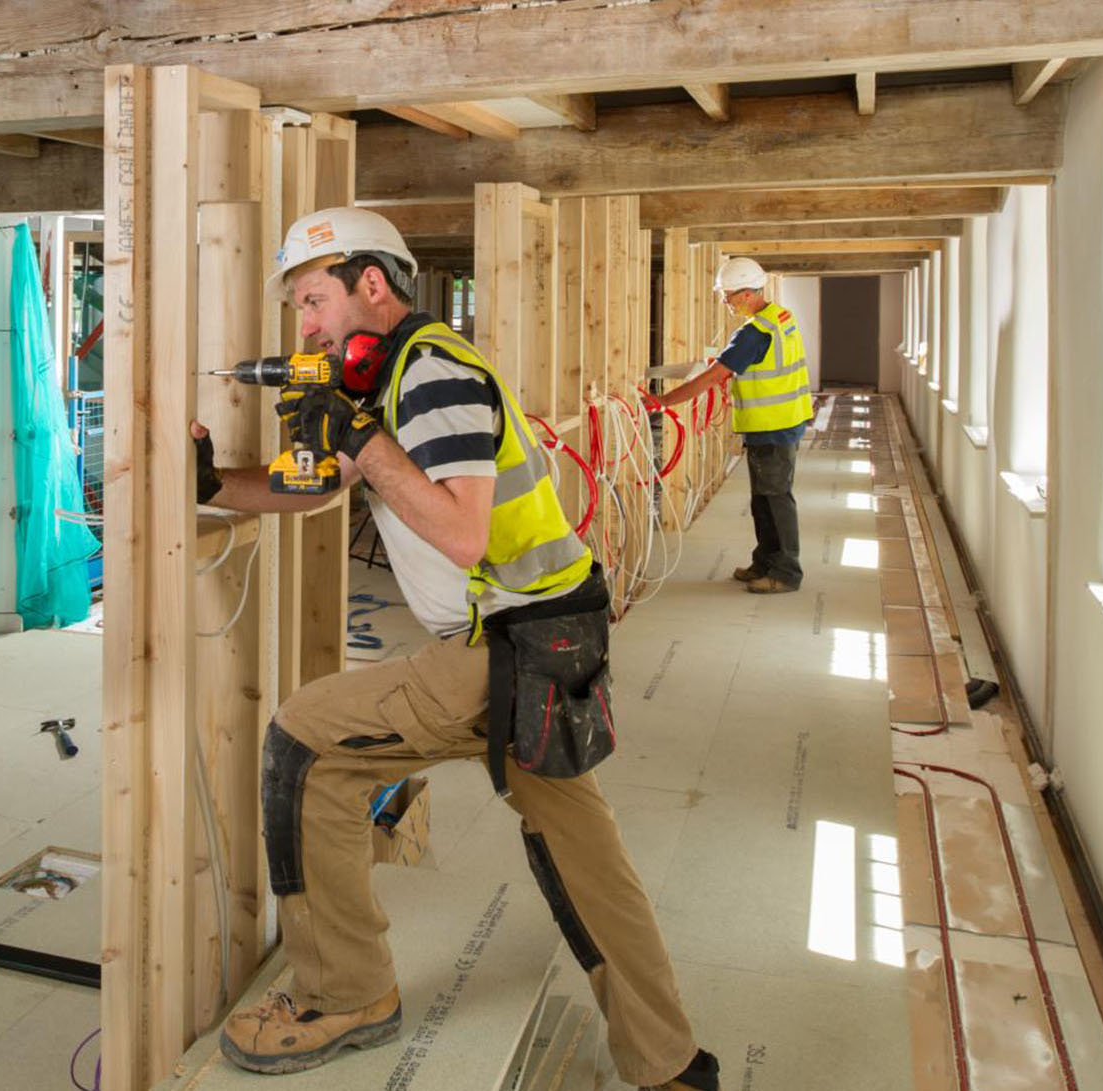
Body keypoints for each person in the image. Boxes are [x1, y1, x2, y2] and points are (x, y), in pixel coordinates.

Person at [194, 207, 719, 1091]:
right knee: (584, 853)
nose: (307, 325)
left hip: (507, 648)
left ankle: (343, 992)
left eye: (315, 299)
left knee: (305, 742)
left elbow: (465, 536)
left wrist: (359, 433)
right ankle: (669, 1060)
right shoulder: (393, 379)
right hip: (551, 640)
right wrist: (217, 486)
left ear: (372, 283)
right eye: (299, 310)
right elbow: (314, 488)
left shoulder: (430, 374)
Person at [657, 256, 813, 594]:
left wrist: (662, 402)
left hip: (773, 426)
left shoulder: (754, 333)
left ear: (746, 293)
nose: (725, 302)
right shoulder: (780, 317)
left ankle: (785, 572)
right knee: (763, 498)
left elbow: (714, 377)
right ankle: (764, 562)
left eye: (727, 296)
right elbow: (737, 362)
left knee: (775, 499)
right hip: (783, 422)